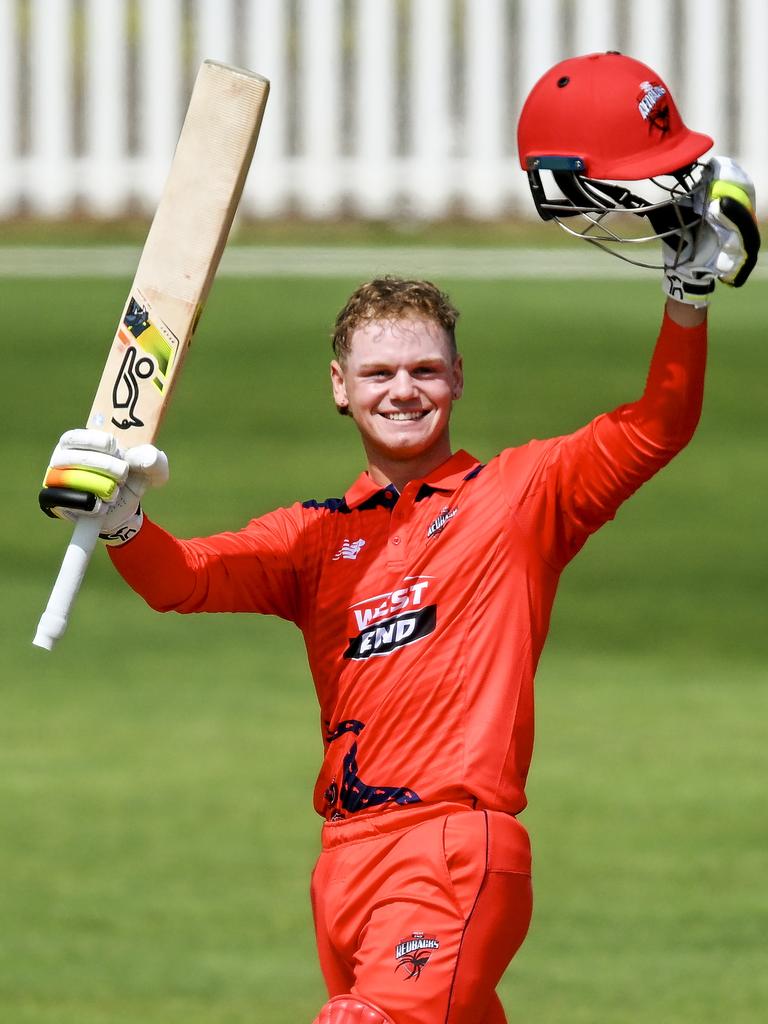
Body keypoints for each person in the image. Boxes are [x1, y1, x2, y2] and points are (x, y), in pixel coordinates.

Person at [39, 54, 759, 1024]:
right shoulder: (312, 538)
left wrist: (688, 297)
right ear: (340, 387)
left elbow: (657, 425)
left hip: (455, 852)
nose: (403, 389)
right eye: (379, 373)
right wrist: (121, 516)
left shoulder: (522, 495)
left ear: (459, 378)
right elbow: (185, 578)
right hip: (342, 874)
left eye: (425, 368)